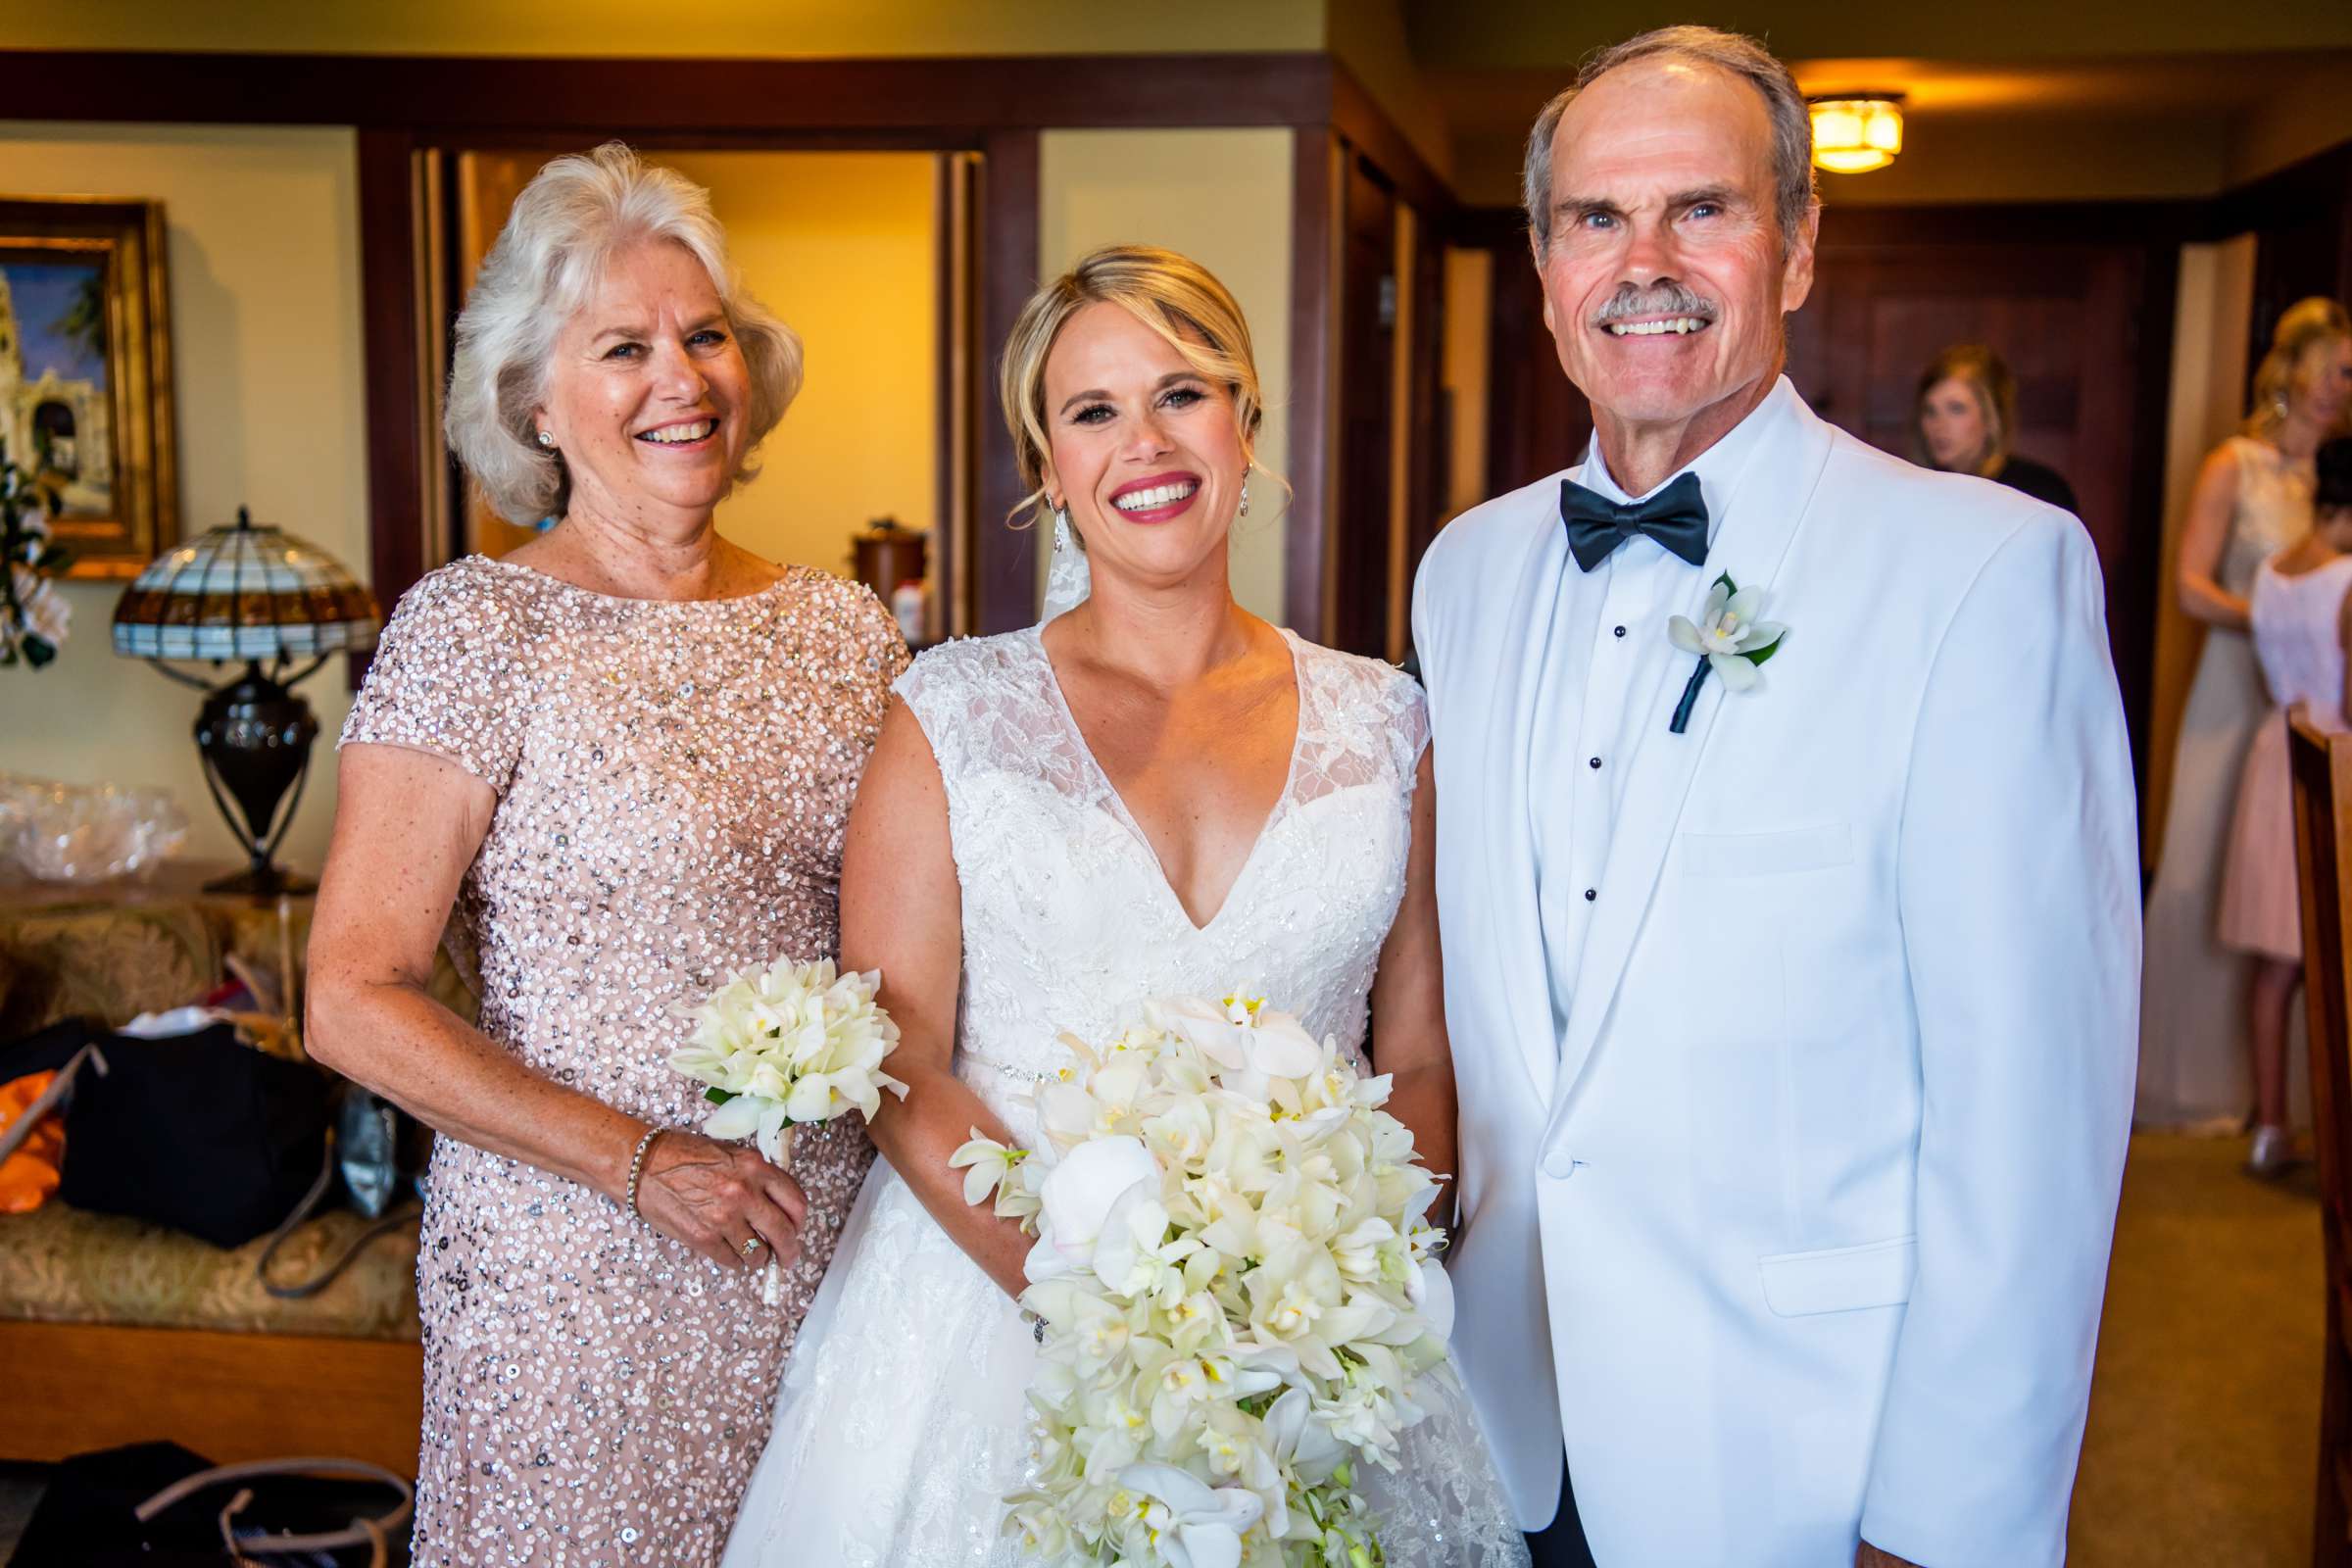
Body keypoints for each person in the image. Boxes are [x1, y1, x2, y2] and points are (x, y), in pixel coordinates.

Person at [1414, 26, 2138, 1568]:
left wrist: (1950, 1528)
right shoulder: (1461, 574)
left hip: (1796, 1461)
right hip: (1498, 1437)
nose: (1645, 263)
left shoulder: (1986, 573)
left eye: (1705, 210)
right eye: (1595, 219)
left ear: (1799, 247)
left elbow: (2032, 1121)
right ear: (1544, 264)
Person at [720, 245, 1529, 1567]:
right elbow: (900, 1057)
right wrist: (1111, 1321)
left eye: (1181, 393)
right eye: (1091, 412)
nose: (1142, 443)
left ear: (1246, 417)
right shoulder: (950, 718)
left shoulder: (1386, 721)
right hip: (994, 1327)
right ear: (1047, 465)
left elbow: (1420, 1054)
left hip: (1308, 1347)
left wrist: (1334, 1309)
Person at [306, 144, 907, 1567]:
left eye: (705, 337)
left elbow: (910, 948)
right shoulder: (471, 630)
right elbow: (349, 996)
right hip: (574, 1279)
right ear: (535, 400)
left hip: (821, 1258)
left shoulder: (847, 632)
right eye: (623, 346)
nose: (680, 379)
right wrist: (640, 1162)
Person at [2139, 297, 2352, 1135]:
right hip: (2240, 686)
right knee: (2215, 861)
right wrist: (2276, 618)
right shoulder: (2237, 461)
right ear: (2295, 366)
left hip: (2318, 691)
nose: (2343, 385)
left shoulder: (2335, 474)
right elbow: (2190, 584)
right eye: (2337, 366)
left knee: (2298, 888)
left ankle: (2298, 1097)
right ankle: (2197, 1078)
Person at [2219, 437, 2352, 1173]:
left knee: (2276, 966)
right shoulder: (2348, 580)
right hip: (2336, 763)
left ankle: (2272, 1126)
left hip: (2277, 752)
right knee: (2335, 963)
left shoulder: (2271, 574)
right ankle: (2333, 1133)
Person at [1912, 342, 2080, 513]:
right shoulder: (1920, 491)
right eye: (1930, 411)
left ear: (1992, 417)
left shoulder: (2038, 494)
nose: (1939, 425)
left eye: (1956, 409)